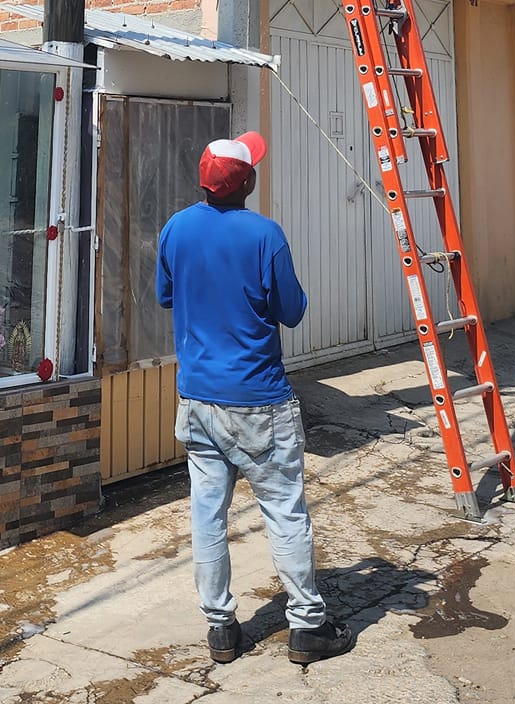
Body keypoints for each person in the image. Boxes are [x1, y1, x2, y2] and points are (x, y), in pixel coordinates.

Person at [156, 131, 354, 667]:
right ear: (248, 182)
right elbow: (292, 311)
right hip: (259, 401)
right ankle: (307, 626)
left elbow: (166, 295)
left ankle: (221, 629)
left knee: (207, 516)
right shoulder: (266, 236)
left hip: (197, 399)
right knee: (285, 512)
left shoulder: (176, 228)